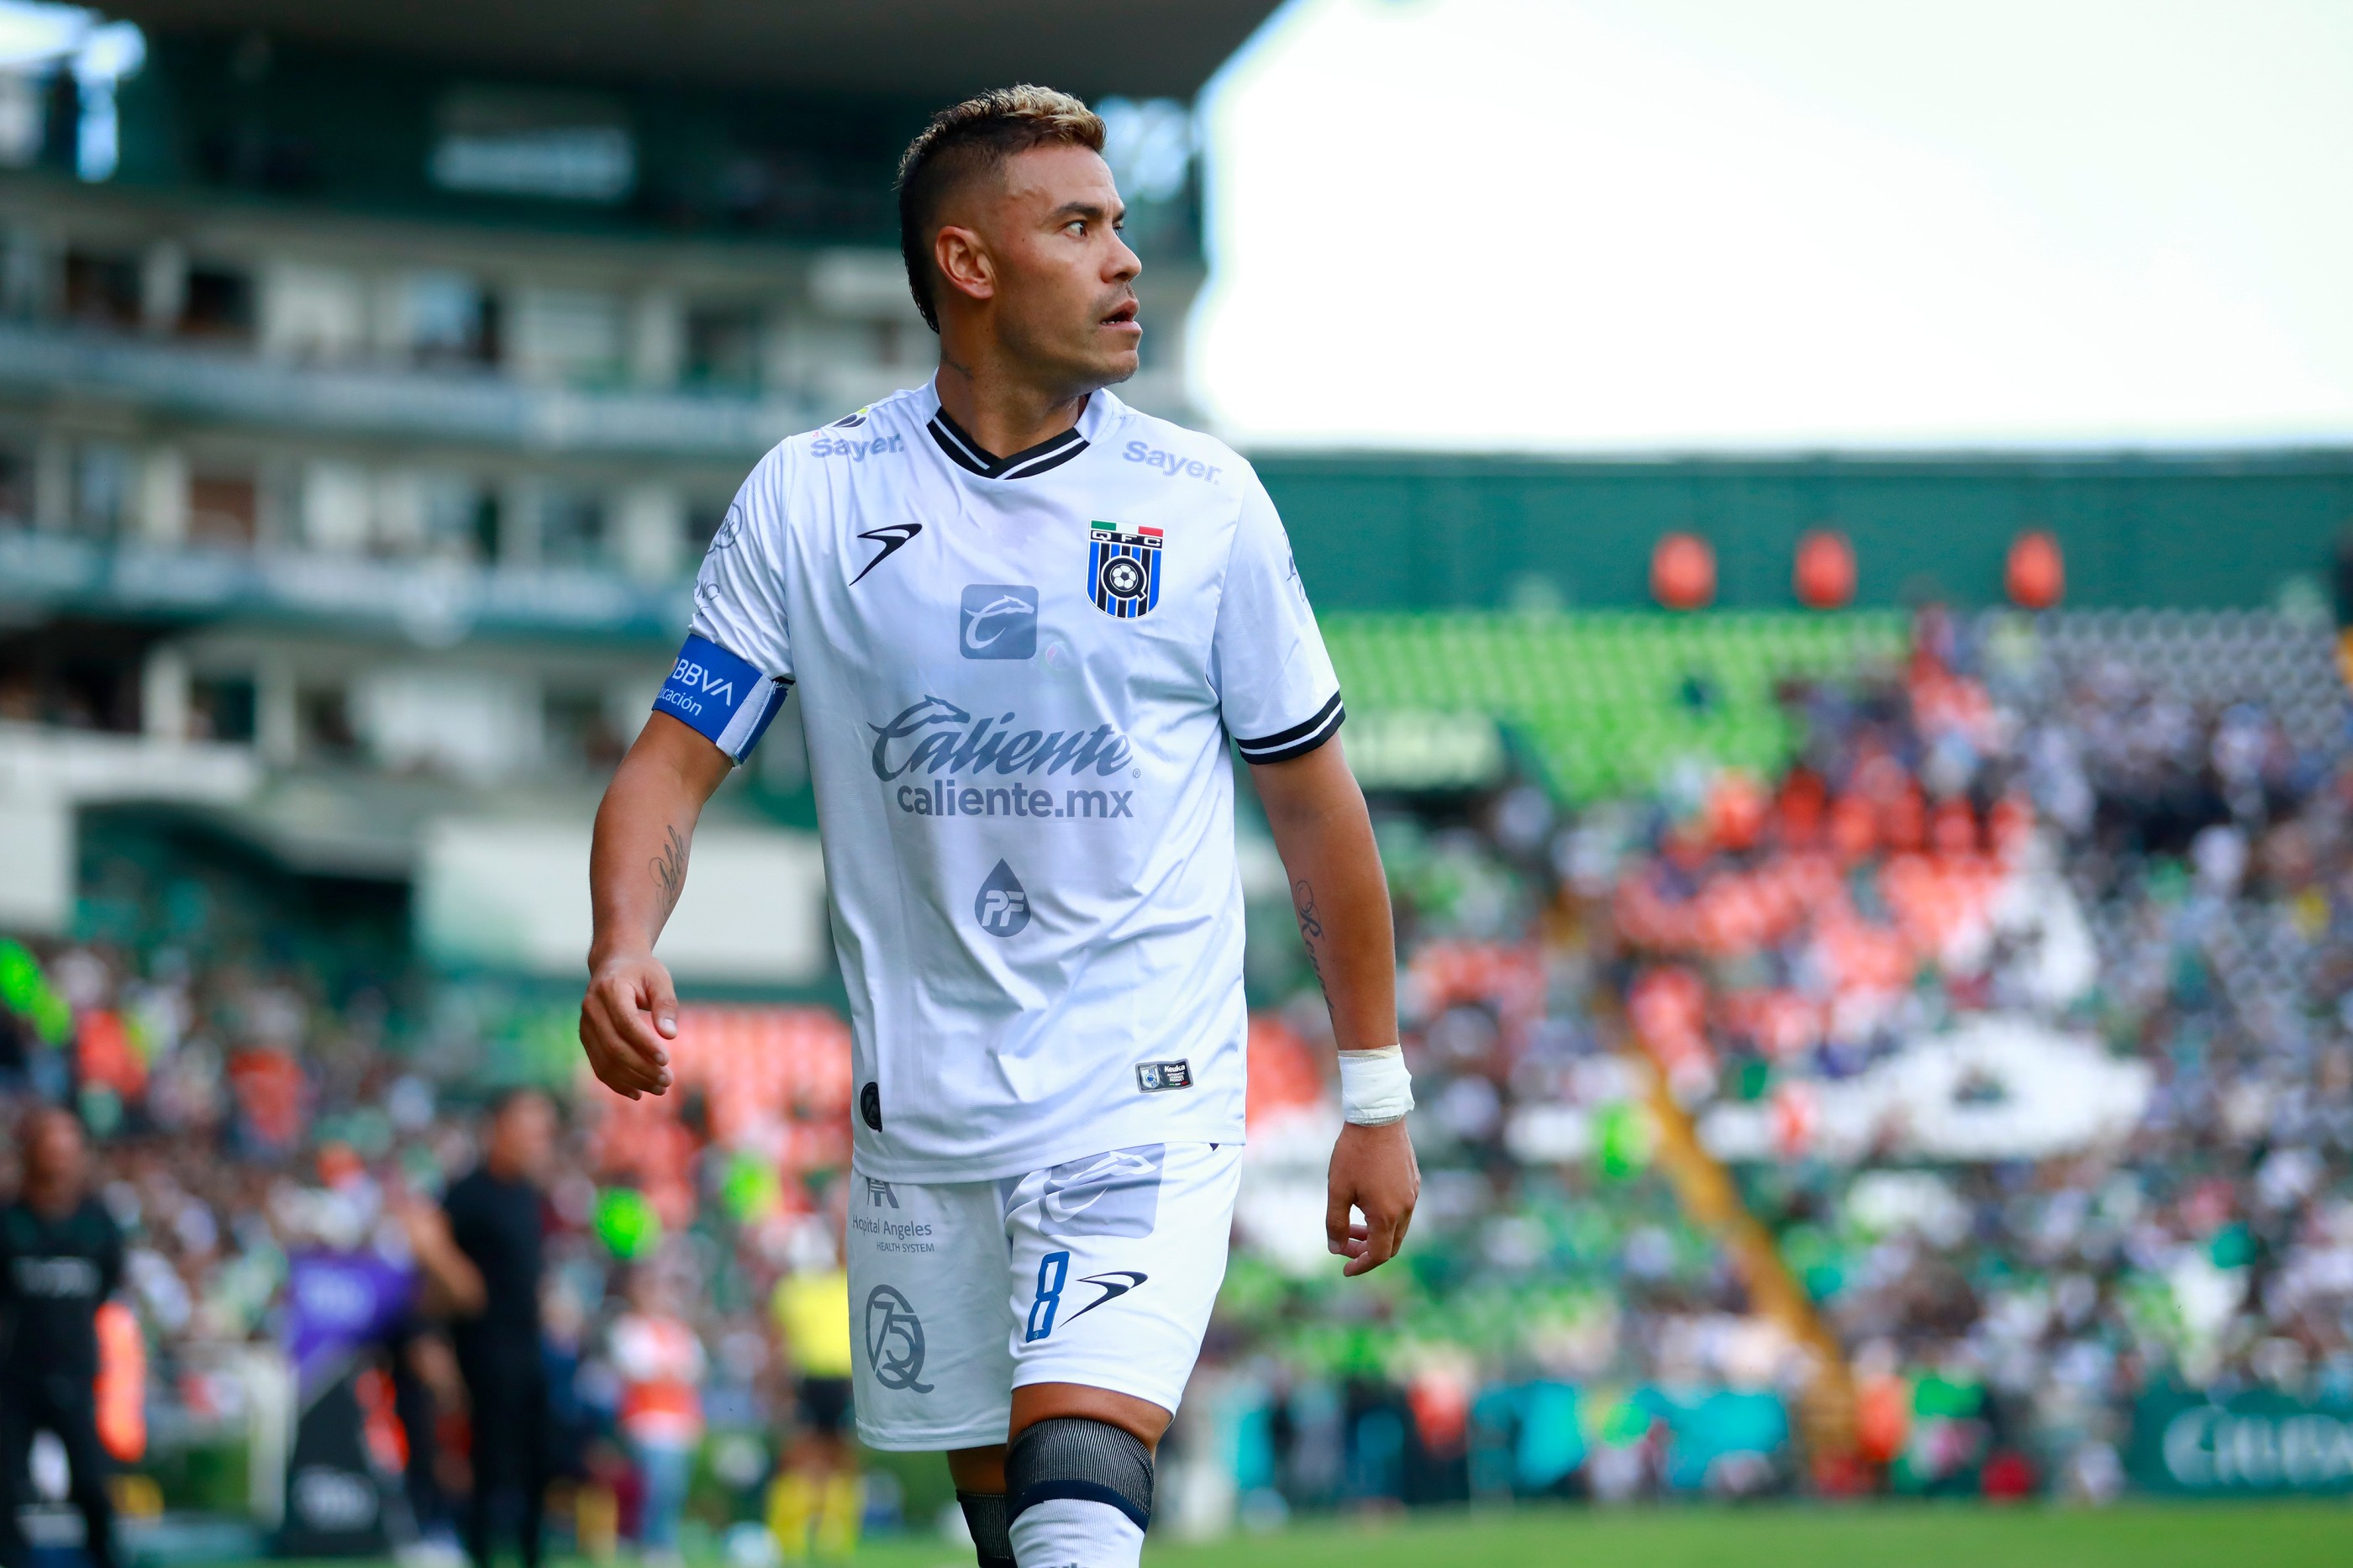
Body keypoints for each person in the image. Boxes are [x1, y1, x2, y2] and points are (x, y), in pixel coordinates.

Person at [578, 85, 1419, 1568]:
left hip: (1142, 1092)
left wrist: (1374, 1091)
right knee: (1017, 1538)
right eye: (1078, 226)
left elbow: (1314, 809)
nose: (1124, 260)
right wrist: (622, 939)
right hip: (927, 1123)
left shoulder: (1204, 504)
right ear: (968, 264)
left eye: (1121, 225)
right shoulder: (814, 498)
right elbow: (668, 761)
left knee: (1078, 1515)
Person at [408, 1090, 556, 1568]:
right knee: (488, 1469)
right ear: (500, 1128)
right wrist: (456, 1286)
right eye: (531, 1128)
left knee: (538, 1467)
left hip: (529, 1345)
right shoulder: (469, 1192)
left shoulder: (528, 1194)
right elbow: (427, 1249)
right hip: (484, 1349)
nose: (540, 1140)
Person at [0, 1108, 125, 1568]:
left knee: (91, 1481)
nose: (58, 1157)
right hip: (14, 1377)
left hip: (75, 1372)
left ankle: (107, 1556)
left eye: (67, 1147)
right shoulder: (10, 1221)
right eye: (50, 1145)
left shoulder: (98, 1223)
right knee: (7, 1484)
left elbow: (108, 1284)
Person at [607, 1270, 704, 1568]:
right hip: (647, 1420)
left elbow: (695, 1370)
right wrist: (669, 1372)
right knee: (656, 1485)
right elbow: (637, 1369)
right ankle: (651, 1544)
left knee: (673, 1488)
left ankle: (664, 1542)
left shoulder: (679, 1331)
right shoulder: (629, 1329)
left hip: (680, 1421)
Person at [767, 1248, 857, 1560]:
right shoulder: (791, 1290)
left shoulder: (845, 1282)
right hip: (807, 1378)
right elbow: (778, 1340)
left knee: (839, 1455)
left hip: (841, 1379)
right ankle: (790, 1531)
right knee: (800, 1455)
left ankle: (833, 1530)